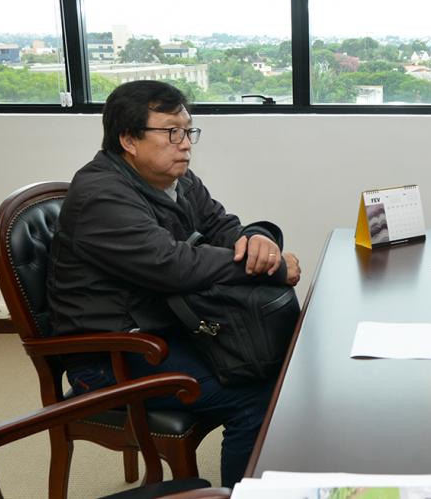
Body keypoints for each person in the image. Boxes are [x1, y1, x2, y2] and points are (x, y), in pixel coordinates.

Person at [47, 80, 300, 487]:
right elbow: (173, 265)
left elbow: (222, 226)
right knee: (260, 398)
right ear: (128, 139)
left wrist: (260, 241)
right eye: (170, 132)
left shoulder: (175, 179)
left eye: (187, 131)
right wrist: (270, 268)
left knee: (282, 364)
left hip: (169, 329)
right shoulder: (101, 195)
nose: (184, 144)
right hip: (114, 356)